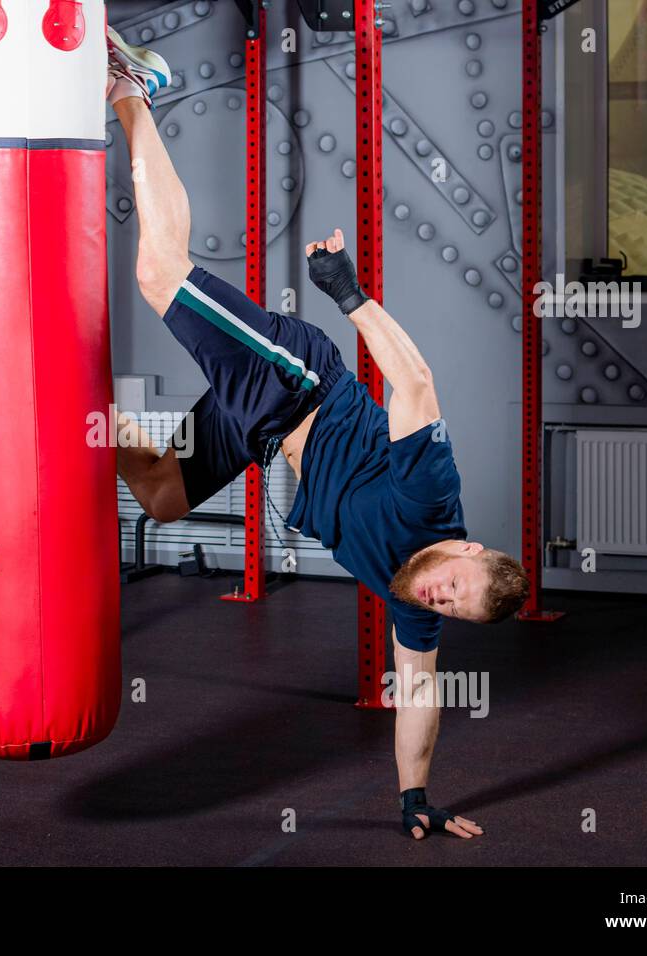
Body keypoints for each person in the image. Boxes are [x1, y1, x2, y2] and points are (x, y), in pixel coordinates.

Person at [105, 28, 528, 839]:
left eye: (454, 610)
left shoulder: (417, 611)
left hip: (262, 436)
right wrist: (350, 293)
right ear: (466, 552)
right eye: (455, 585)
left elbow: (421, 698)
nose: (441, 597)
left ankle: (99, 426)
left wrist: (415, 799)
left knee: (158, 497)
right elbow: (416, 385)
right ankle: (133, 89)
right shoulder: (432, 498)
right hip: (295, 385)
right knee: (161, 270)